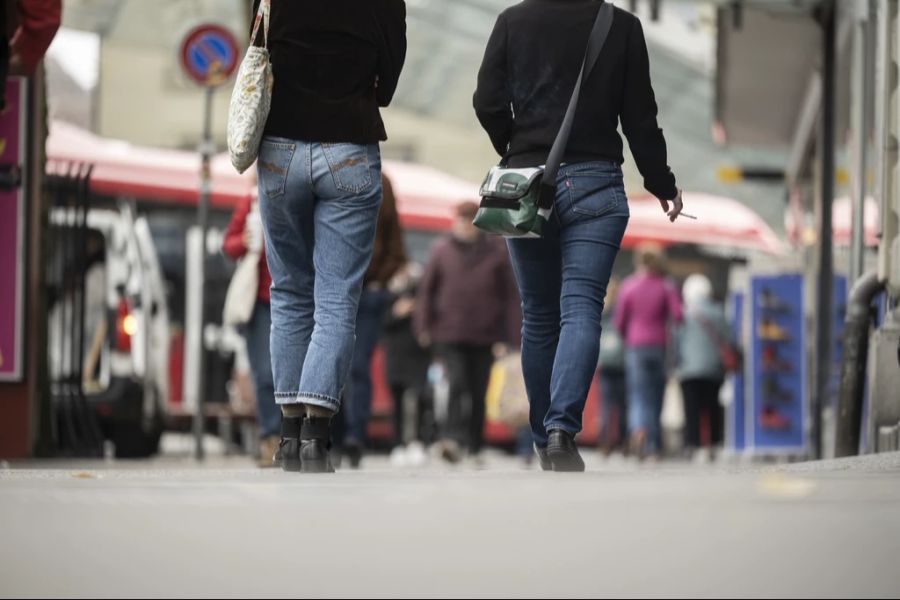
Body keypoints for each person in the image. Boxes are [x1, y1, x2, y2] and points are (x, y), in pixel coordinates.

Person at [474, 0, 683, 471]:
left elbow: (486, 100)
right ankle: (561, 431)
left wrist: (516, 149)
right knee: (582, 307)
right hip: (596, 185)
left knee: (540, 317)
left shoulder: (513, 21)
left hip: (526, 185)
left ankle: (540, 434)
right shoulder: (621, 26)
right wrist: (661, 183)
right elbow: (640, 116)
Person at [255, 0, 407, 474]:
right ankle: (316, 437)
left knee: (288, 292)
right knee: (336, 298)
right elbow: (389, 82)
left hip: (279, 147)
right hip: (348, 145)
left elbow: (258, 55)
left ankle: (286, 433)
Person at [414, 202, 521, 464]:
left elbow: (509, 297)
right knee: (456, 383)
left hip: (486, 335)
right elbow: (426, 291)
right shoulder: (441, 250)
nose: (464, 225)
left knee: (478, 391)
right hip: (449, 333)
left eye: (469, 220)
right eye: (460, 219)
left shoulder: (496, 252)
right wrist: (423, 326)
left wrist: (509, 337)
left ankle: (475, 444)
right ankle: (451, 438)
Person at [341, 173, 407, 469]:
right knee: (336, 362)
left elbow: (394, 237)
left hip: (368, 292)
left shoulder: (382, 181)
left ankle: (354, 435)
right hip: (335, 287)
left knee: (358, 367)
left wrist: (382, 280)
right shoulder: (331, 167)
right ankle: (334, 430)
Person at [222, 196, 280, 468]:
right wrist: (244, 241)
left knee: (288, 372)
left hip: (291, 300)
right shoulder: (252, 202)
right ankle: (271, 437)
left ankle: (288, 435)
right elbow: (228, 245)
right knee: (264, 373)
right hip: (258, 303)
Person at [614, 244, 683, 460]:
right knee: (655, 396)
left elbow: (619, 321)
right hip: (659, 346)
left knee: (637, 395)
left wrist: (628, 334)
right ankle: (653, 445)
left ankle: (638, 430)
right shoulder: (666, 285)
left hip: (635, 346)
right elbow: (679, 315)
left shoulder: (628, 286)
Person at [382, 262, 432, 467]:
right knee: (397, 401)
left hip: (419, 355)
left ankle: (418, 442)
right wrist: (396, 313)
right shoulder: (387, 293)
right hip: (395, 355)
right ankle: (397, 444)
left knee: (421, 398)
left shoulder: (425, 292)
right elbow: (380, 324)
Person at [677, 273, 730, 460]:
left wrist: (676, 363)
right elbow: (728, 338)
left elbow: (677, 339)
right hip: (713, 369)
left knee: (691, 409)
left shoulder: (683, 313)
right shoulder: (717, 311)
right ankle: (714, 444)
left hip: (688, 369)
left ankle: (693, 444)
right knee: (712, 406)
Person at [597, 277, 627, 456]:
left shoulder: (602, 308)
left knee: (606, 406)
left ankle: (605, 442)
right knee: (623, 405)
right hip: (622, 360)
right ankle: (622, 441)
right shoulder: (622, 308)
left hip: (606, 362)